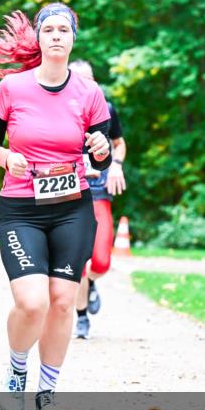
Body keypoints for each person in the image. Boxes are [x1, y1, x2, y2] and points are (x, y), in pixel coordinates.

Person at [0, 2, 112, 410]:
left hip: (72, 208)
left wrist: (103, 151)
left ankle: (47, 392)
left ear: (73, 39)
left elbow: (102, 155)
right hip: (21, 209)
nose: (56, 36)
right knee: (32, 302)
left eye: (63, 30)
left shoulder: (90, 93)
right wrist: (3, 157)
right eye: (48, 29)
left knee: (61, 302)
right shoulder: (12, 89)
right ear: (38, 38)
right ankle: (18, 371)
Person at [69, 60, 127, 340]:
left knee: (101, 262)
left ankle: (91, 283)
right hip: (68, 195)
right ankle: (81, 319)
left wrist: (115, 164)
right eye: (76, 79)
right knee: (78, 262)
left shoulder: (106, 109)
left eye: (88, 79)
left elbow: (119, 143)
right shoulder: (58, 110)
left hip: (99, 193)